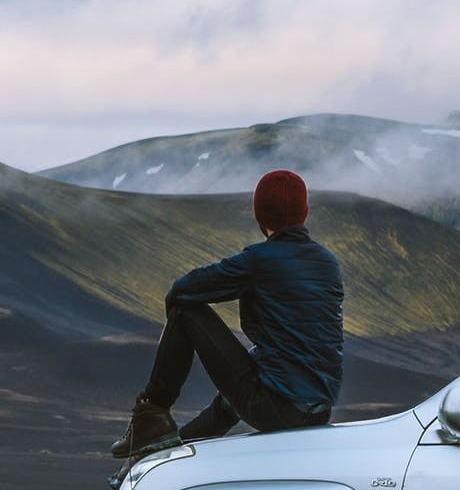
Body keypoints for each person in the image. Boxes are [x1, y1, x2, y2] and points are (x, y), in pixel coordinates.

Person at [113, 169, 344, 457]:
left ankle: (152, 414)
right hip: (318, 409)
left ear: (259, 215)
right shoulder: (328, 262)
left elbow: (181, 290)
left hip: (277, 408)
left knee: (186, 310)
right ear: (304, 212)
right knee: (233, 398)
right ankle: (167, 456)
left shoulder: (258, 261)